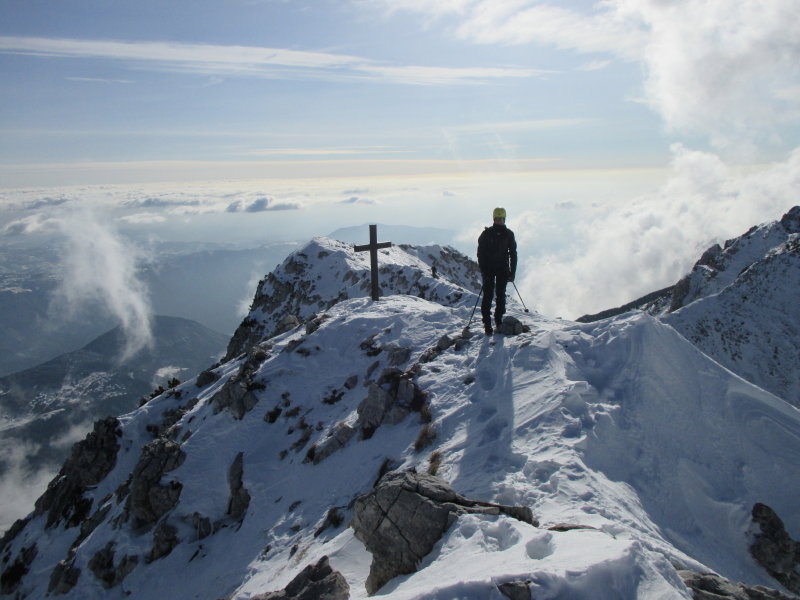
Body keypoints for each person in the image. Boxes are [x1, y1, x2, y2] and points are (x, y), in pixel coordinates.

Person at [477, 207, 517, 335]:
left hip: (502, 269)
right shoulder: (487, 234)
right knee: (488, 295)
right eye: (497, 218)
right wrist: (484, 269)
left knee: (500, 295)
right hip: (489, 269)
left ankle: (498, 320)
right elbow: (480, 253)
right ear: (494, 219)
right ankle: (487, 324)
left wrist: (512, 272)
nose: (499, 221)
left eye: (501, 218)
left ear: (504, 219)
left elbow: (513, 254)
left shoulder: (508, 234)